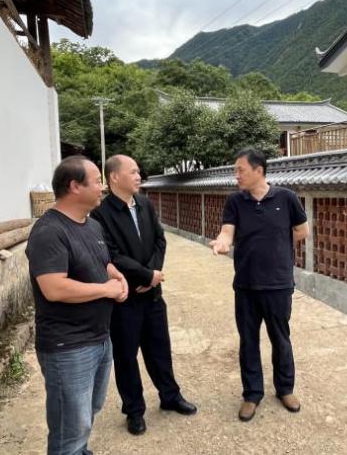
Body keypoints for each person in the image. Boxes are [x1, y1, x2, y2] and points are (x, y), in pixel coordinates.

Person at [25, 155, 129, 455]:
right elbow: (54, 288)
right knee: (69, 428)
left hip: (99, 337)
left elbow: (101, 261)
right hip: (67, 346)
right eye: (96, 181)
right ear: (74, 186)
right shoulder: (49, 231)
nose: (102, 187)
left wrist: (115, 275)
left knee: (88, 412)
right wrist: (106, 290)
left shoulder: (91, 225)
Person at [91, 154, 197, 436]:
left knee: (160, 348)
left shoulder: (144, 204)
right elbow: (111, 255)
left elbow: (160, 240)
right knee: (126, 356)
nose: (139, 176)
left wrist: (152, 276)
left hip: (152, 294)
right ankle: (134, 410)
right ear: (115, 177)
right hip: (124, 297)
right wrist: (144, 276)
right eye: (134, 172)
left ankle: (170, 396)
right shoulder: (101, 214)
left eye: (139, 172)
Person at [209, 147, 309, 422]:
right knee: (248, 341)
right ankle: (252, 394)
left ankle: (285, 389)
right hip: (246, 285)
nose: (236, 175)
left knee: (281, 339)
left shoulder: (286, 198)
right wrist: (222, 243)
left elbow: (302, 231)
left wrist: (278, 245)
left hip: (278, 284)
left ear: (258, 170)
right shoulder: (235, 201)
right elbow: (227, 231)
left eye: (240, 170)